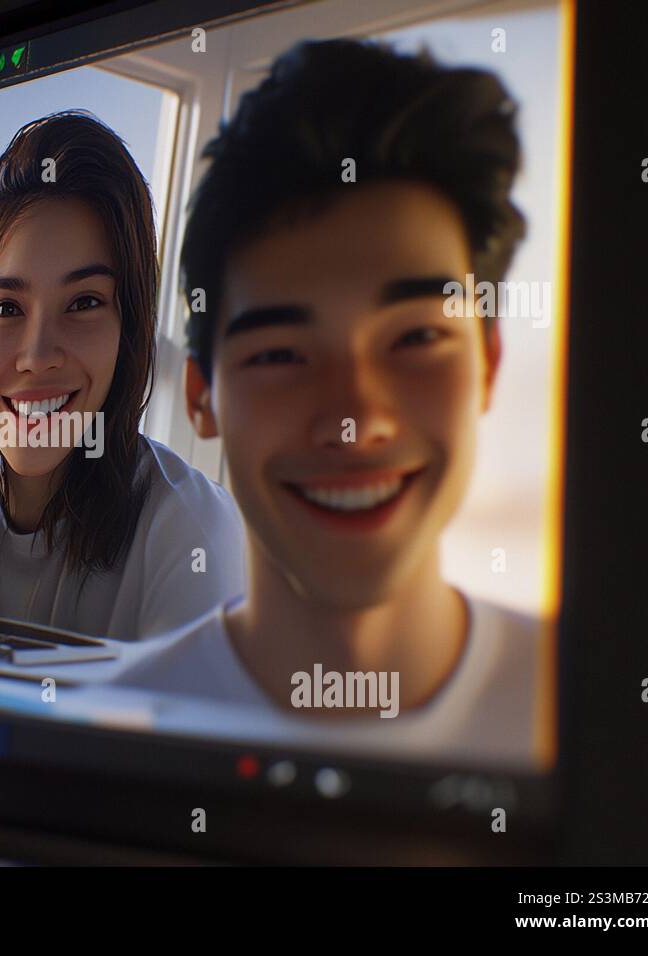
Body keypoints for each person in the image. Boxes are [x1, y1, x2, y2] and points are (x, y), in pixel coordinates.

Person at [118, 40, 543, 764]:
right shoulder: (118, 736)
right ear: (201, 395)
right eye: (280, 353)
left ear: (487, 364)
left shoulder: (630, 723)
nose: (356, 419)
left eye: (414, 338)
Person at [0, 111, 244, 641]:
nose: (36, 355)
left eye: (83, 302)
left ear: (130, 332)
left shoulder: (191, 536)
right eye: (7, 308)